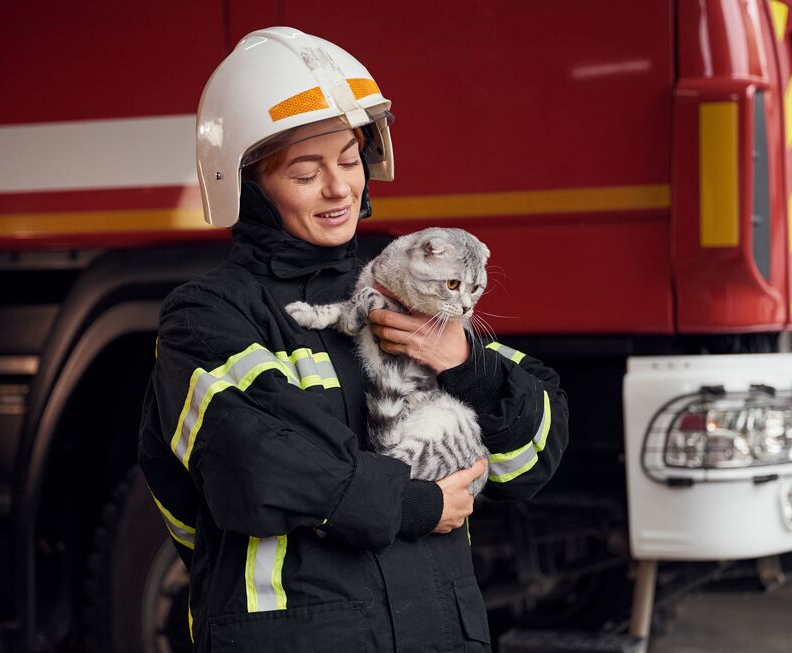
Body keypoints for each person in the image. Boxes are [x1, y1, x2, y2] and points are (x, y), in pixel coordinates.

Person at [139, 26, 569, 652]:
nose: (340, 188)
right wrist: (418, 505)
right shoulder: (208, 316)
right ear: (248, 186)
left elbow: (533, 454)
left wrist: (465, 363)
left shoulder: (410, 294)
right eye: (307, 173)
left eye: (348, 161)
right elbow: (260, 471)